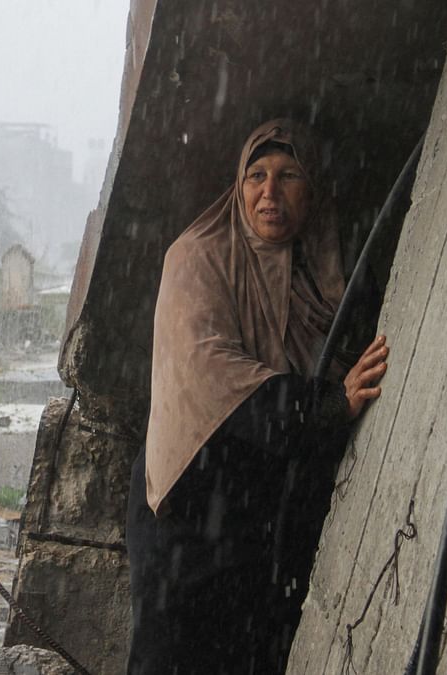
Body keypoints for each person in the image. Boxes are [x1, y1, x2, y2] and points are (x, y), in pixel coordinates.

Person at [126, 119, 389, 674]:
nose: (269, 193)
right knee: (177, 655)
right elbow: (212, 371)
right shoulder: (196, 257)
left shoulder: (320, 273)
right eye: (257, 175)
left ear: (311, 191)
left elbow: (341, 353)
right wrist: (325, 405)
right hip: (194, 507)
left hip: (264, 514)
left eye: (289, 175)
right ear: (238, 186)